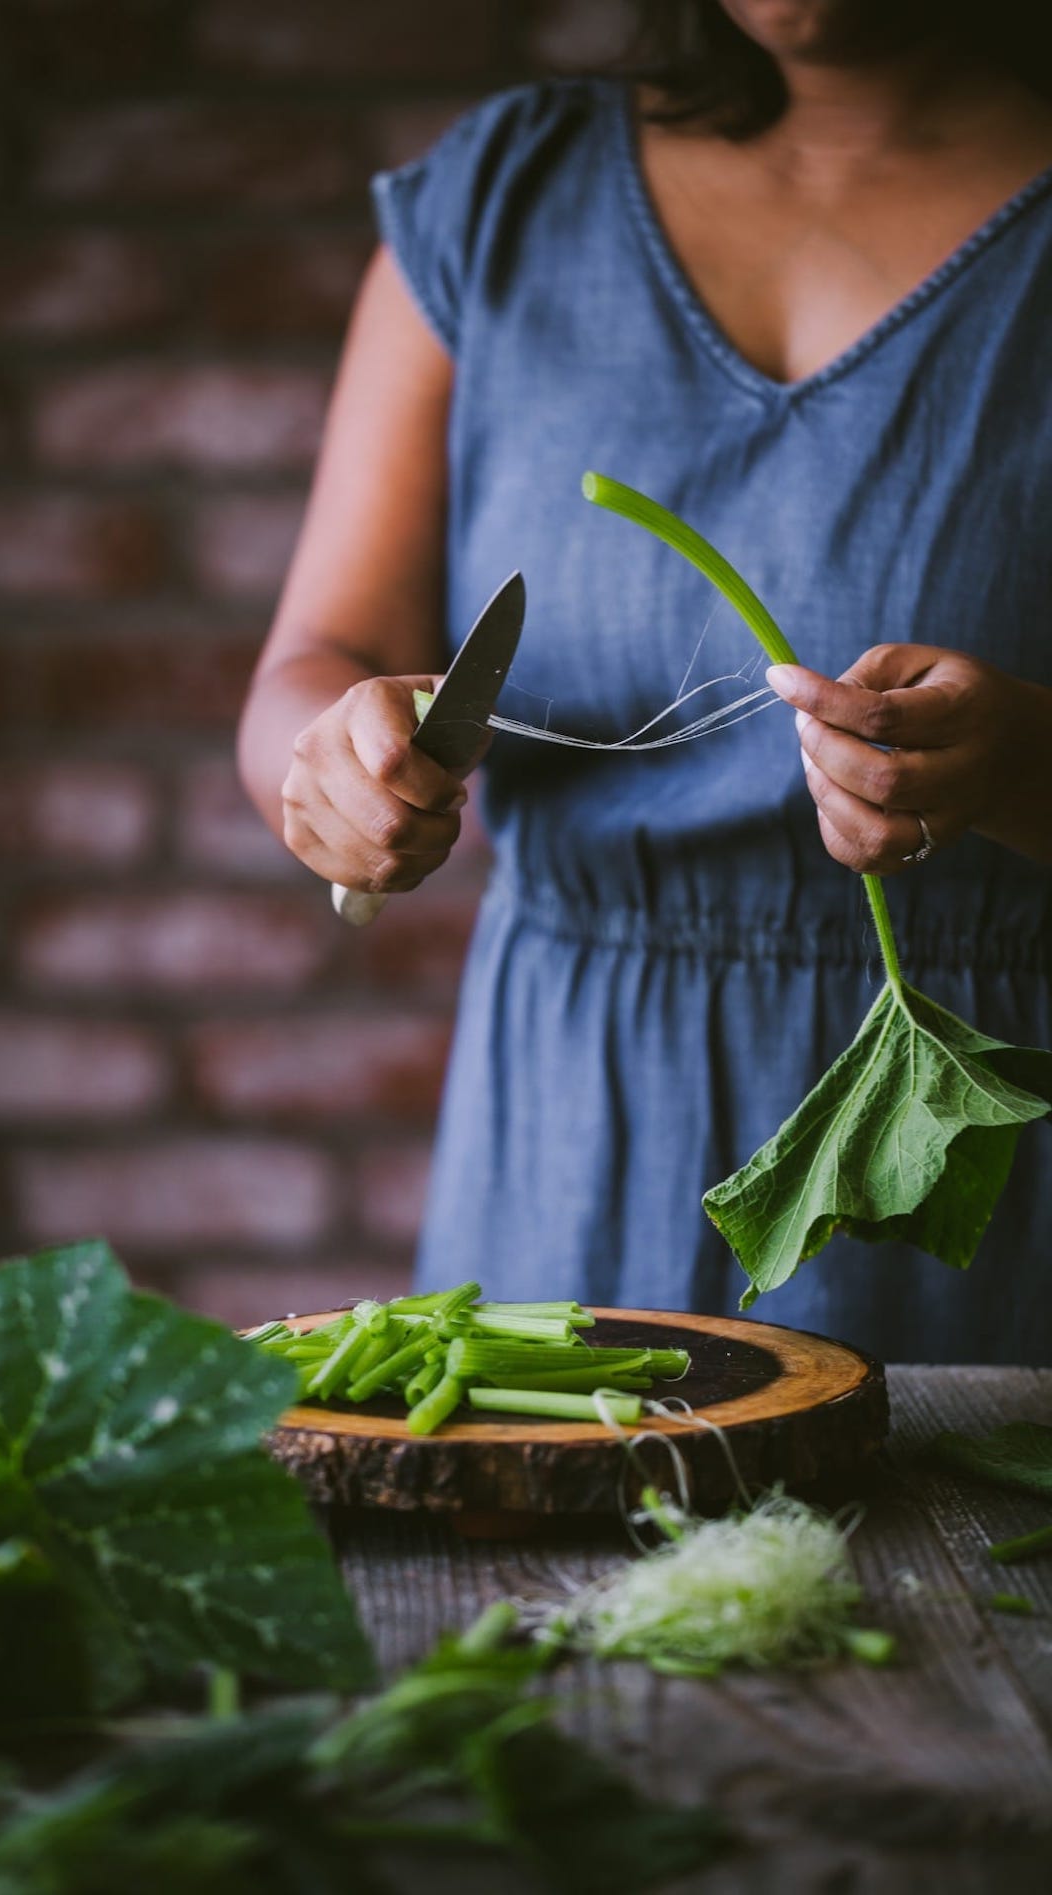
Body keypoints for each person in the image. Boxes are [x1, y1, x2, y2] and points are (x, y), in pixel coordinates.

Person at [238, 0, 1052, 1365]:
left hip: (968, 1175)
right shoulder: (504, 198)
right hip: (567, 1136)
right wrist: (327, 765)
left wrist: (1028, 767)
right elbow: (312, 663)